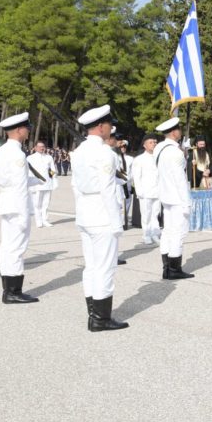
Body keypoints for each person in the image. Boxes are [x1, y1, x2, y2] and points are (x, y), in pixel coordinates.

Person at [71, 105, 128, 332]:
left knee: (91, 267)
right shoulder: (104, 153)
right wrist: (117, 222)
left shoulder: (79, 151)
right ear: (102, 126)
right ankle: (101, 319)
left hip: (85, 211)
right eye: (108, 125)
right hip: (102, 214)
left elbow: (76, 185)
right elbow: (106, 188)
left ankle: (93, 313)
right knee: (105, 267)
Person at [0, 112, 42, 304]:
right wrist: (24, 213)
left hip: (7, 202)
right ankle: (13, 292)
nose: (29, 131)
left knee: (7, 246)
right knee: (16, 248)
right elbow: (20, 186)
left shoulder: (2, 151)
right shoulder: (17, 153)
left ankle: (9, 289)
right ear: (19, 130)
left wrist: (36, 179)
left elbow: (9, 180)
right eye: (27, 128)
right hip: (17, 205)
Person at [154, 117, 194, 280]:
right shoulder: (175, 152)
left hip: (165, 196)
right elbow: (180, 180)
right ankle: (174, 269)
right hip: (177, 198)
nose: (181, 132)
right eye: (179, 129)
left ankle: (166, 267)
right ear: (173, 132)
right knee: (178, 233)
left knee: (167, 232)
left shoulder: (159, 149)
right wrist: (187, 203)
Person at [131, 134, 161, 245]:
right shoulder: (139, 159)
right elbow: (136, 177)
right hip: (146, 192)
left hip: (157, 191)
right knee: (146, 215)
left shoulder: (158, 157)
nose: (153, 144)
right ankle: (146, 234)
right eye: (151, 142)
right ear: (144, 145)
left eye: (155, 142)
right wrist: (139, 192)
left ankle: (155, 233)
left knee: (155, 213)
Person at [27, 141, 57, 227]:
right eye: (39, 146)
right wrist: (30, 185)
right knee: (37, 204)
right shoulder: (30, 158)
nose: (41, 148)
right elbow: (29, 171)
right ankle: (38, 221)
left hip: (47, 183)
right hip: (36, 184)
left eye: (43, 146)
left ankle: (45, 220)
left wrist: (54, 180)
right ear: (35, 147)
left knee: (46, 203)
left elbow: (52, 170)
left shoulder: (49, 157)